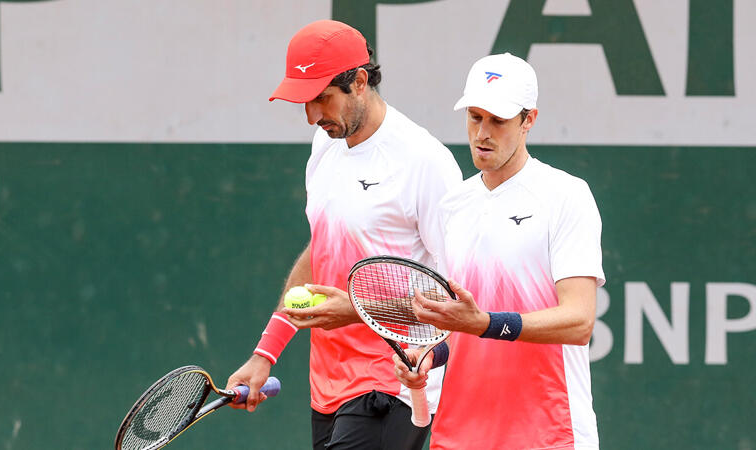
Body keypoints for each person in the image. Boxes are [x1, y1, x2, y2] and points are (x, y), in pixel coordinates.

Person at [225, 20, 463, 450]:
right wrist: (266, 353)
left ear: (358, 82)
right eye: (304, 102)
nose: (312, 116)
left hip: (393, 382)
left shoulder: (424, 162)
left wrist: (356, 309)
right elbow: (322, 250)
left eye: (321, 99)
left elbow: (457, 300)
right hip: (329, 386)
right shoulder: (325, 147)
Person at [393, 53, 605, 449]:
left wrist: (486, 323)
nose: (482, 134)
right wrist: (429, 355)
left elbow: (579, 321)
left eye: (498, 121)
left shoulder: (567, 196)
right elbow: (457, 327)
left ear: (529, 120)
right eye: (475, 117)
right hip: (458, 435)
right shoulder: (452, 206)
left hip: (547, 433)